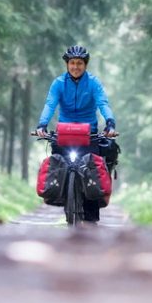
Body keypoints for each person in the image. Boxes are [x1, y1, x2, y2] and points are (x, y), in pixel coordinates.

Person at [36, 44, 117, 222]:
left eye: (79, 63)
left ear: (85, 65)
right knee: (58, 166)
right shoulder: (58, 83)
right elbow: (50, 104)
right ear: (67, 64)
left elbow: (103, 103)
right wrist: (42, 124)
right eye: (72, 63)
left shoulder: (93, 83)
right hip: (64, 133)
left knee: (91, 171)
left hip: (89, 134)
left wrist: (110, 123)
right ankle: (61, 197)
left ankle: (90, 217)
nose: (75, 67)